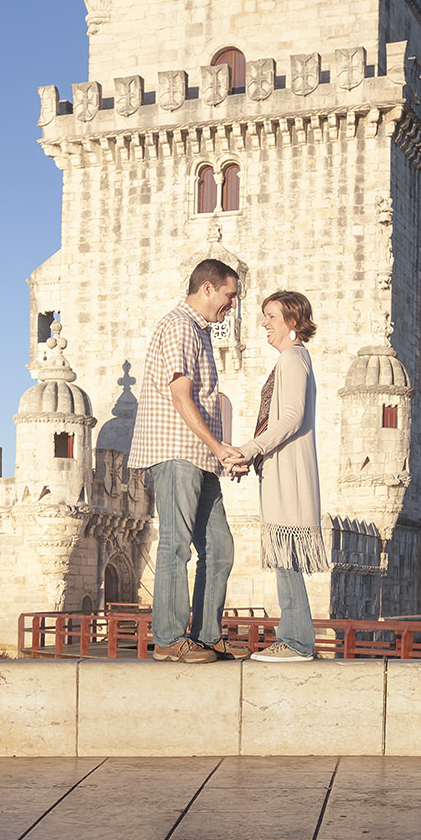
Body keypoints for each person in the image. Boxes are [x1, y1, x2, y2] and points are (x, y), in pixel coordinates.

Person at [127, 259, 249, 663]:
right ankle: (168, 637)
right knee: (176, 545)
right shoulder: (180, 324)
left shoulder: (198, 331)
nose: (232, 305)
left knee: (220, 548)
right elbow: (181, 395)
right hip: (177, 451)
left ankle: (206, 636)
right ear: (209, 288)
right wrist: (219, 447)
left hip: (201, 457)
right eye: (230, 296)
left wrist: (220, 451)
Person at [230, 290, 326, 663]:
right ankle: (295, 638)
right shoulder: (294, 358)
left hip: (289, 471)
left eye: (270, 315)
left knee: (286, 557)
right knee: (285, 558)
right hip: (282, 468)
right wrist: (250, 456)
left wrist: (249, 449)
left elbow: (289, 418)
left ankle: (297, 641)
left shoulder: (292, 358)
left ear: (292, 320)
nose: (264, 323)